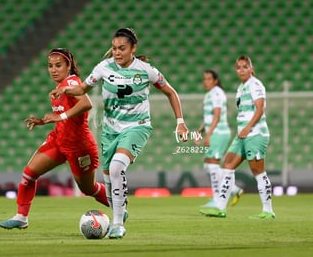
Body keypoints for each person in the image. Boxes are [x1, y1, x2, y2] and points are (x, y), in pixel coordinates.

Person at [50, 28, 189, 238]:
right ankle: (120, 213)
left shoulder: (146, 70)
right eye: (114, 48)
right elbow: (83, 89)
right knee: (107, 176)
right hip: (110, 130)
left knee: (116, 168)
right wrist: (66, 89)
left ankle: (117, 224)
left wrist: (180, 122)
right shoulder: (103, 68)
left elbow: (170, 91)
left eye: (122, 48)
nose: (117, 52)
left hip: (137, 127)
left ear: (133, 48)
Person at [0, 48, 109, 230]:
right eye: (50, 66)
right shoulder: (59, 88)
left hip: (79, 146)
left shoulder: (72, 82)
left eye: (58, 65)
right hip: (59, 140)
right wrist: (43, 121)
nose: (53, 69)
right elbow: (63, 116)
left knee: (88, 189)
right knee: (29, 174)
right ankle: (21, 216)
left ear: (69, 66)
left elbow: (86, 103)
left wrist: (61, 117)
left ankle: (119, 207)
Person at [199, 55, 275, 219]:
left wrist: (248, 127)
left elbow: (260, 108)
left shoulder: (255, 85)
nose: (241, 70)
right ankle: (220, 207)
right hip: (242, 134)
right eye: (238, 67)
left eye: (245, 66)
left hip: (255, 133)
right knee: (227, 164)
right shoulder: (242, 87)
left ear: (251, 69)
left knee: (258, 171)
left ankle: (268, 210)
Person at [195, 70, 243, 208]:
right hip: (214, 132)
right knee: (209, 165)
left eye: (209, 79)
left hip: (219, 132)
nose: (206, 81)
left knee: (212, 165)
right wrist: (200, 131)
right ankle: (233, 189)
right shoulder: (209, 94)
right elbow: (209, 118)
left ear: (215, 80)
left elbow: (217, 116)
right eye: (204, 79)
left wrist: (208, 135)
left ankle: (217, 199)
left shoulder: (217, 93)